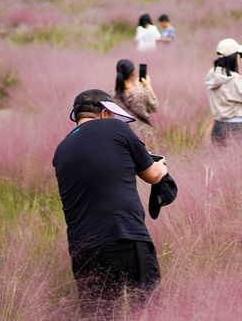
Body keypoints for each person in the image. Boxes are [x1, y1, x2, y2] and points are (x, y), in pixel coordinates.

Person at [53, 89, 168, 317]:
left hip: (82, 249)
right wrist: (162, 166)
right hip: (125, 235)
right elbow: (153, 175)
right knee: (149, 310)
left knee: (100, 315)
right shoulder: (115, 128)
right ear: (105, 113)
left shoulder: (61, 150)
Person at [205, 38, 242, 146]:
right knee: (241, 160)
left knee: (219, 159)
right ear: (234, 56)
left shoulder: (213, 74)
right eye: (239, 55)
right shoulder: (234, 79)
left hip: (218, 125)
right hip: (236, 126)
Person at [115, 59, 159, 150]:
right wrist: (148, 86)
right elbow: (154, 106)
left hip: (124, 135)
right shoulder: (140, 93)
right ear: (134, 73)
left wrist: (138, 87)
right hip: (144, 135)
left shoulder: (113, 95)